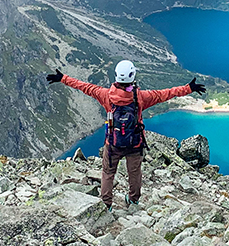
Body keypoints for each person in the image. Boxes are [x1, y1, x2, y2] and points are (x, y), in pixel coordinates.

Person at [47, 60, 205, 209]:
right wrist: (189, 88)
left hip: (113, 143)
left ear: (116, 75)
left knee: (108, 173)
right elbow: (165, 94)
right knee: (134, 173)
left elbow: (85, 87)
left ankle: (106, 204)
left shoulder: (105, 95)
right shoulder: (140, 97)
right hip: (135, 144)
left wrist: (63, 78)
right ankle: (133, 200)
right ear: (132, 76)